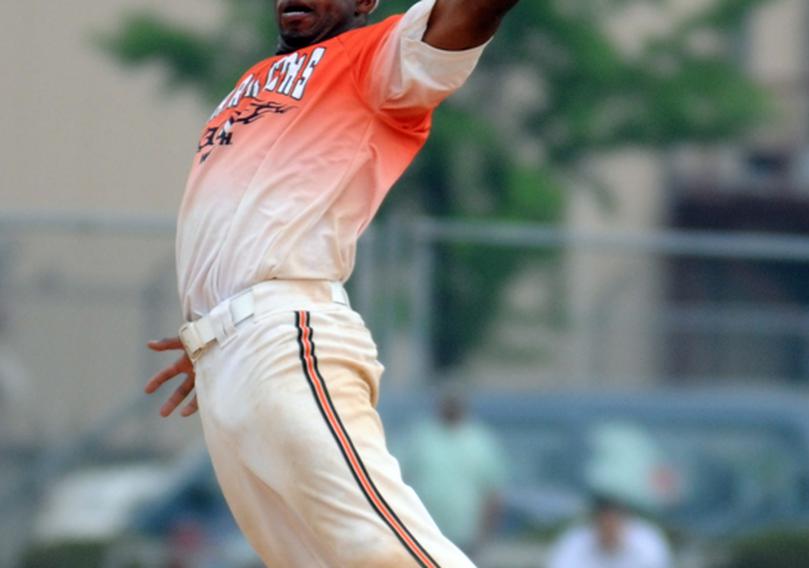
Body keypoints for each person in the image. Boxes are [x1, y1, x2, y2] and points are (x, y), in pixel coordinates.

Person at [143, 0, 523, 566]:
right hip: (226, 357)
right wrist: (216, 324)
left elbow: (468, 13)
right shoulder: (250, 81)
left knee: (384, 550)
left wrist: (243, 319)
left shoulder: (376, 59)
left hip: (283, 333)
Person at [548, 423, 674, 568]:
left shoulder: (648, 544)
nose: (609, 526)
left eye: (613, 519)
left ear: (625, 519)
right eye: (604, 519)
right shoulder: (573, 545)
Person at [399, 390, 506, 555]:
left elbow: (493, 493)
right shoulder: (420, 436)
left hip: (465, 535)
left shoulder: (480, 441)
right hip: (424, 531)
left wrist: (486, 534)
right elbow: (400, 479)